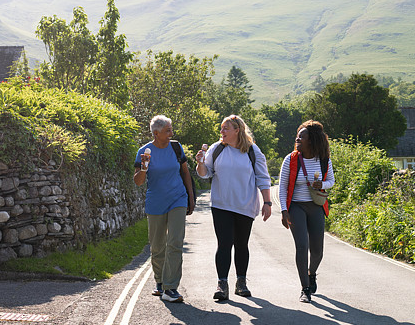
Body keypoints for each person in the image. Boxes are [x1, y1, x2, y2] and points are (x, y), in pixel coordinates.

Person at [195, 114, 272, 301]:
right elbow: (205, 174)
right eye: (221, 128)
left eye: (225, 129)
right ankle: (222, 284)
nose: (222, 132)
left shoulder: (253, 151)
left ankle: (241, 282)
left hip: (245, 205)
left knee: (241, 244)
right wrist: (199, 163)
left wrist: (267, 203)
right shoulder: (217, 149)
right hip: (222, 204)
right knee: (224, 243)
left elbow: (263, 178)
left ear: (237, 131)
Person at [134, 115, 196, 303]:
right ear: (156, 133)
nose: (171, 133)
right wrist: (144, 166)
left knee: (175, 242)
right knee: (157, 245)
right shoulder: (144, 151)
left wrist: (190, 198)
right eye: (168, 130)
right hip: (156, 202)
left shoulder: (176, 147)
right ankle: (160, 282)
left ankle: (171, 288)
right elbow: (138, 181)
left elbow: (185, 172)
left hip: (178, 198)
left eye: (171, 129)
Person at [279, 120, 334, 303]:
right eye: (298, 135)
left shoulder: (324, 160)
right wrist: (284, 210)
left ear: (311, 140)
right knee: (302, 247)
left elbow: (331, 181)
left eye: (302, 136)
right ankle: (305, 289)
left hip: (316, 206)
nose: (298, 138)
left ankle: (311, 274)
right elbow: (283, 187)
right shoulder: (291, 159)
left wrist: (322, 184)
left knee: (317, 250)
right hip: (296, 206)